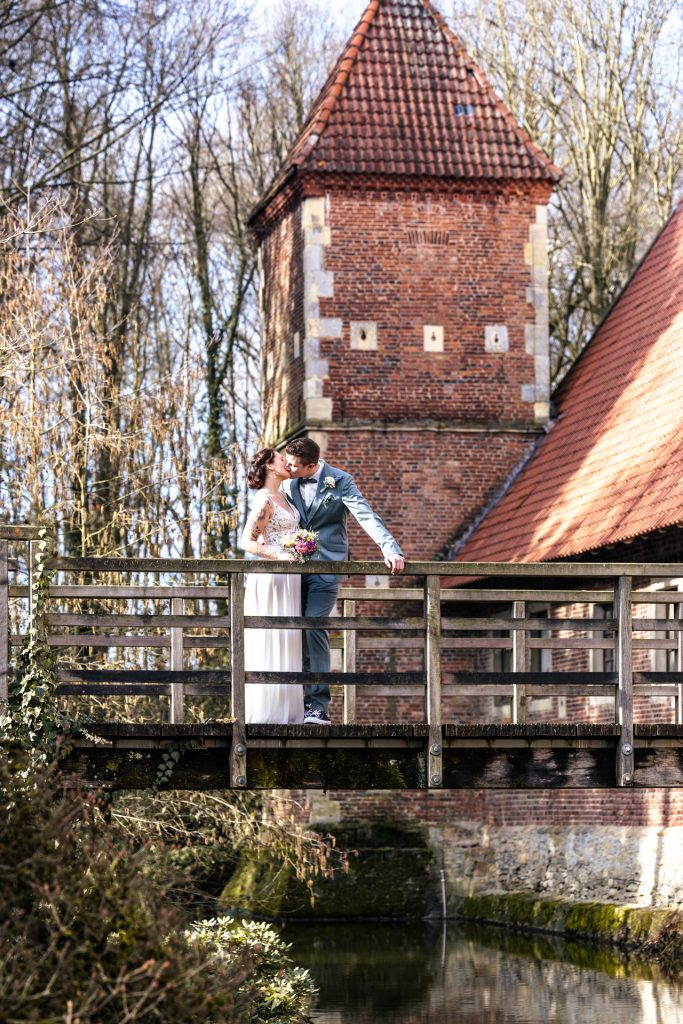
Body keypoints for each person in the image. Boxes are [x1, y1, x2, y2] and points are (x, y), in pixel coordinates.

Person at [283, 437, 405, 725]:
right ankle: (297, 703)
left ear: (311, 466)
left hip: (327, 569)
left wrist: (389, 547)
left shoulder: (340, 481)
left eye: (293, 465)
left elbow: (365, 515)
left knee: (314, 626)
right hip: (292, 571)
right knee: (292, 633)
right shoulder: (287, 484)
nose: (287, 468)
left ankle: (319, 706)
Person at [240, 448, 304, 724]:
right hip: (273, 576)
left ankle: (290, 711)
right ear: (268, 465)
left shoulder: (286, 496)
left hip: (290, 577)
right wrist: (280, 554)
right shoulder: (265, 500)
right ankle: (268, 712)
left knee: (289, 638)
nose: (286, 462)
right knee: (272, 636)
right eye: (280, 458)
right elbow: (247, 541)